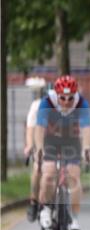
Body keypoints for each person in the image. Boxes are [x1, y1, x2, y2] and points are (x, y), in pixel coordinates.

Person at [36, 76, 90, 230]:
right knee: (48, 173)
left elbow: (87, 128)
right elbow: (39, 128)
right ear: (57, 95)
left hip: (71, 141)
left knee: (74, 177)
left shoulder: (81, 103)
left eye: (70, 98)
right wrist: (39, 147)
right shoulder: (47, 102)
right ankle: (46, 208)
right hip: (51, 140)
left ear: (75, 95)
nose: (66, 102)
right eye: (62, 98)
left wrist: (86, 148)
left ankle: (74, 218)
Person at [23, 90, 44, 222]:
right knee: (37, 169)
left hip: (56, 139)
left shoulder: (63, 106)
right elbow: (30, 129)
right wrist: (30, 145)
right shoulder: (36, 106)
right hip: (40, 140)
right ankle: (34, 201)